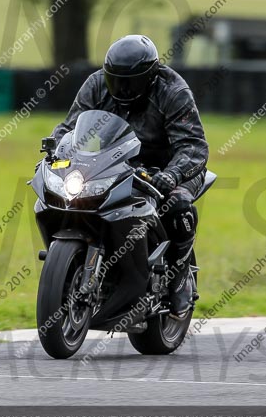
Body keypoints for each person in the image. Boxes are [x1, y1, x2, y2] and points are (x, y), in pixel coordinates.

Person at [51, 34, 209, 318]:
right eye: (116, 79)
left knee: (178, 205)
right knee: (74, 196)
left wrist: (172, 175)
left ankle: (178, 277)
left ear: (150, 76)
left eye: (130, 81)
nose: (122, 88)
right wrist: (54, 150)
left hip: (171, 166)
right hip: (117, 163)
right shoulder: (97, 84)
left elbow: (194, 147)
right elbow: (70, 127)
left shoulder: (173, 91)